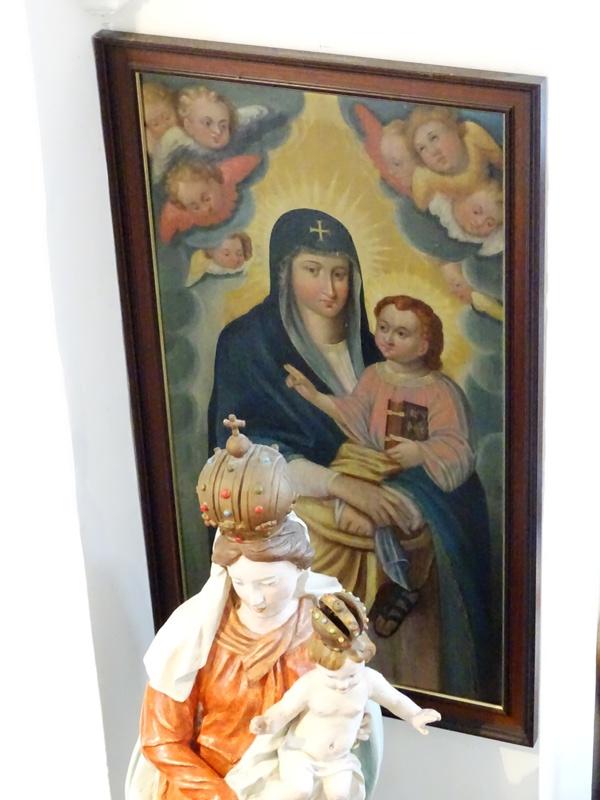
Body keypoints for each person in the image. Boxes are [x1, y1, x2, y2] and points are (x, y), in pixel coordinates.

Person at [208, 209, 496, 700]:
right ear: (284, 271)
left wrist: (414, 483)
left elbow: (427, 445)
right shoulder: (248, 345)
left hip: (393, 506)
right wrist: (343, 485)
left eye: (340, 273)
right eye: (313, 270)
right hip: (311, 518)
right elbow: (245, 455)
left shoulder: (377, 347)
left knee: (413, 527)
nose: (330, 289)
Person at [284, 295, 477, 636]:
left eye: (401, 333)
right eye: (384, 328)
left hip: (416, 481)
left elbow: (457, 447)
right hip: (368, 464)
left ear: (425, 344)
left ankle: (400, 584)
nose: (387, 338)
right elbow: (353, 414)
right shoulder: (375, 376)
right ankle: (327, 595)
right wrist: (314, 396)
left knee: (372, 515)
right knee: (329, 508)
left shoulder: (441, 391)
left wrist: (422, 452)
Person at [226, 592, 439, 800]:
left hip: (338, 761)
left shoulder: (369, 681)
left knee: (340, 794)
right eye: (333, 678)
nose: (343, 685)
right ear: (318, 665)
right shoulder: (311, 684)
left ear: (363, 662)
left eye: (351, 676)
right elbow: (285, 710)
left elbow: (395, 700)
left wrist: (415, 715)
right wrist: (267, 723)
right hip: (302, 755)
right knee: (299, 790)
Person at [405, 105, 503, 211]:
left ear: (454, 129)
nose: (433, 151)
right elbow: (423, 213)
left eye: (434, 138)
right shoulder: (423, 177)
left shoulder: (473, 135)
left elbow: (502, 164)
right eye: (422, 148)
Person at [159, 155, 261, 242]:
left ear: (215, 181)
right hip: (211, 233)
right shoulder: (179, 211)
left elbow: (246, 162)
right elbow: (167, 225)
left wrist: (258, 159)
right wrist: (165, 239)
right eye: (195, 207)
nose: (205, 209)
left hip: (237, 214)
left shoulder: (227, 176)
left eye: (206, 199)